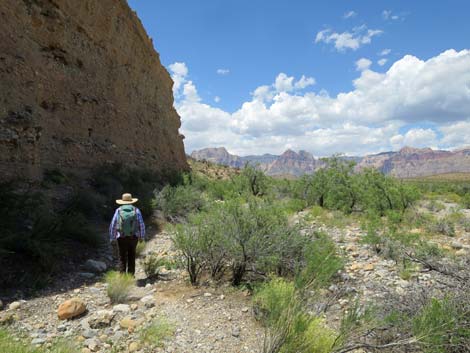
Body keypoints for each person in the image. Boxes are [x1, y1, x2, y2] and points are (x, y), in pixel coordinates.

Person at [109, 193, 145, 275]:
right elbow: (141, 224)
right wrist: (142, 237)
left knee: (122, 257)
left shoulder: (118, 210)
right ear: (131, 201)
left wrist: (112, 237)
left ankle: (122, 277)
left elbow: (113, 224)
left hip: (121, 237)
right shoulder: (136, 210)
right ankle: (131, 277)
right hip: (133, 237)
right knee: (131, 256)